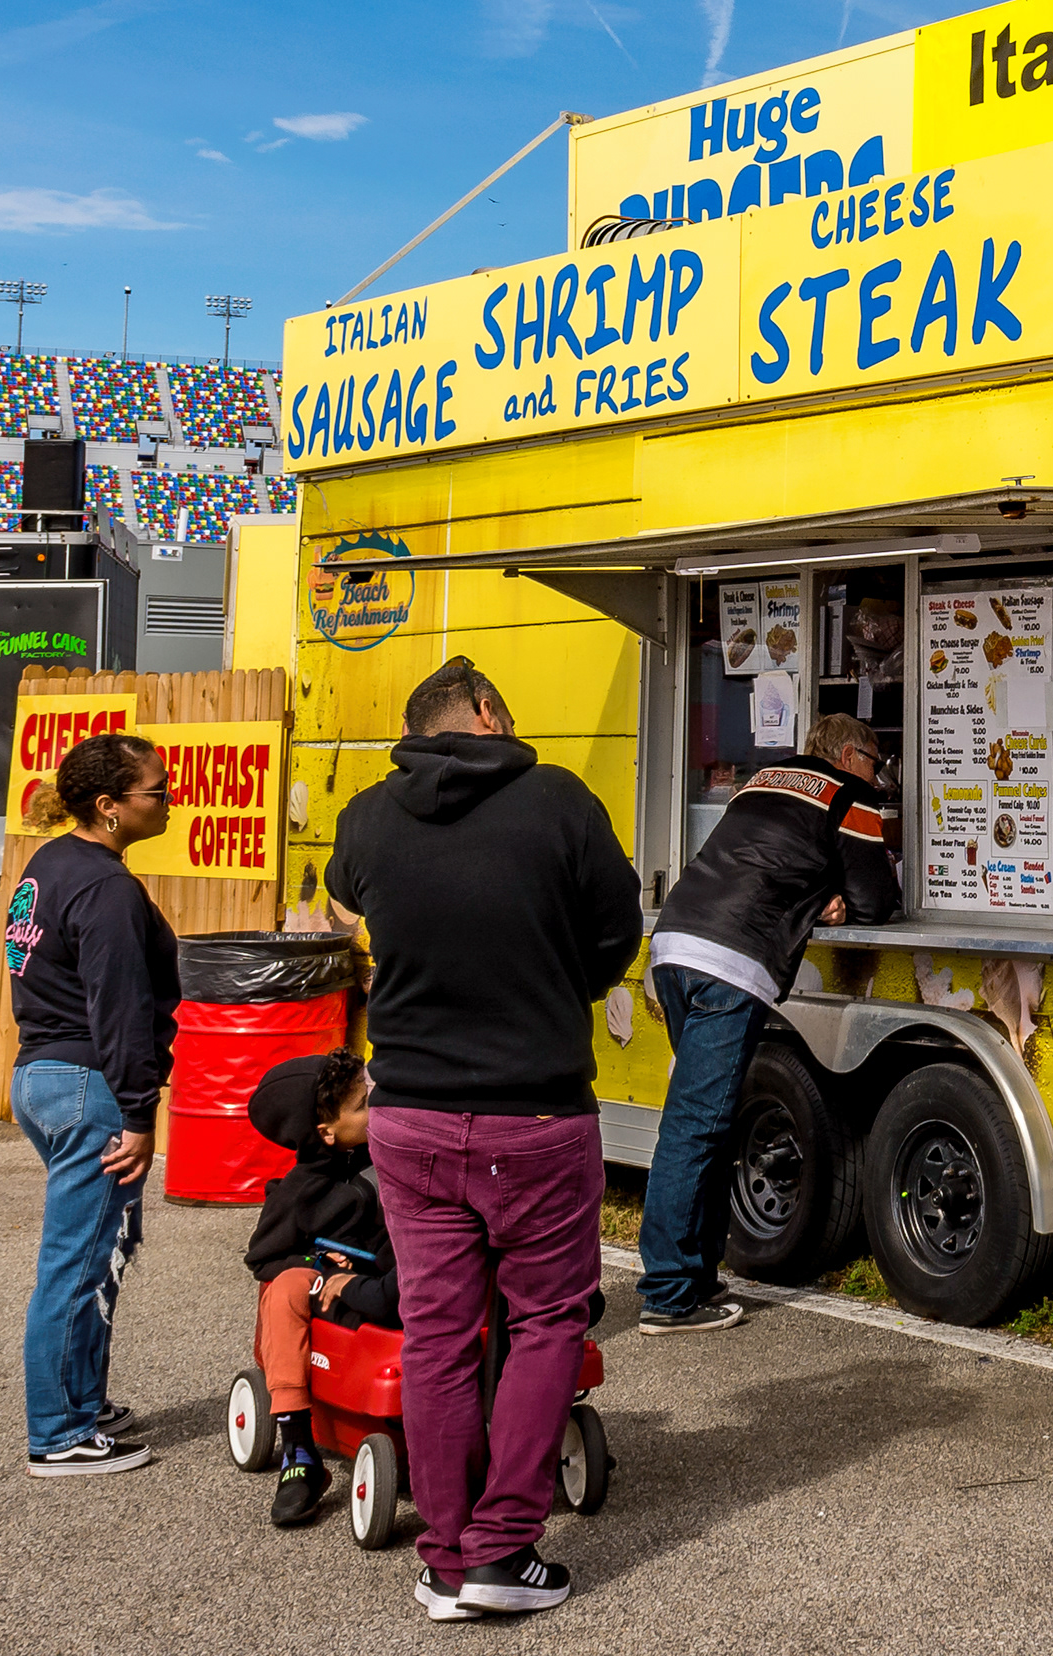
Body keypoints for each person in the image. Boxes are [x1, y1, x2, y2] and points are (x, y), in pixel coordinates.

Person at [325, 656, 641, 1622]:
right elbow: (617, 932)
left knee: (436, 1335)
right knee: (545, 1324)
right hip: (535, 1110)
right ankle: (503, 1551)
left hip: (409, 1114)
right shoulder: (560, 802)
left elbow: (346, 906)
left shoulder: (368, 816)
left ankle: (447, 1562)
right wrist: (553, 981)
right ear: (489, 712)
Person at [636, 713, 901, 1337]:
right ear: (848, 756)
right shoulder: (848, 795)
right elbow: (875, 901)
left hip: (673, 947)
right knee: (696, 1127)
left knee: (708, 1122)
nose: (879, 777)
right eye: (875, 761)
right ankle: (668, 1294)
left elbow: (761, 862)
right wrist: (836, 899)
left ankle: (696, 1276)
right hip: (730, 961)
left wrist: (818, 894)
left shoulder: (762, 780)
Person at [3, 732, 179, 1477]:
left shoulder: (52, 864)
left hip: (44, 1077)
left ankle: (82, 1401)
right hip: (88, 1087)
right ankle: (59, 1434)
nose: (169, 800)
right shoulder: (105, 888)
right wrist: (139, 1114)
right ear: (109, 806)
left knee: (101, 1249)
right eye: (157, 791)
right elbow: (120, 1008)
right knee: (76, 1263)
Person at [240, 1050, 396, 1530]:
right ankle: (299, 1452)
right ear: (327, 1132)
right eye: (363, 1105)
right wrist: (317, 1265)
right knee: (286, 1286)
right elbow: (263, 1258)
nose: (376, 1107)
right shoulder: (300, 1191)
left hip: (384, 1284)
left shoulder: (391, 1159)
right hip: (324, 1293)